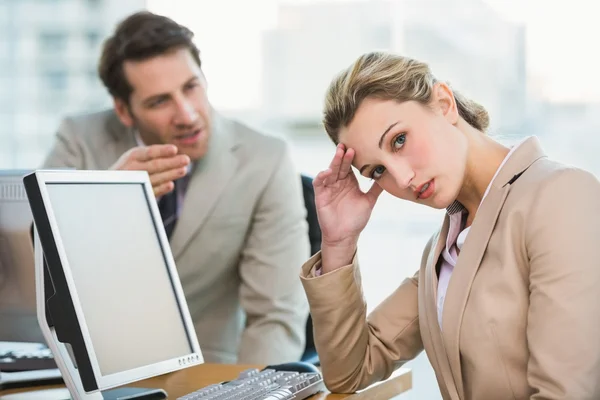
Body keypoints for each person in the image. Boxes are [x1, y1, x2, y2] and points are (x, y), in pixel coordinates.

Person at [300, 51, 600, 399]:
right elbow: (348, 372)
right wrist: (339, 242)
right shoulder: (440, 253)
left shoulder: (560, 196)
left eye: (399, 140)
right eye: (377, 171)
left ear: (444, 103)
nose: (403, 177)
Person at [42, 11, 311, 365]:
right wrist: (105, 201)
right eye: (159, 101)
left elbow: (276, 316)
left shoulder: (265, 160)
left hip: (209, 373)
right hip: (91, 368)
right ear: (124, 111)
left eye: (191, 87)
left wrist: (250, 391)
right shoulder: (78, 139)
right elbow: (41, 267)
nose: (186, 114)